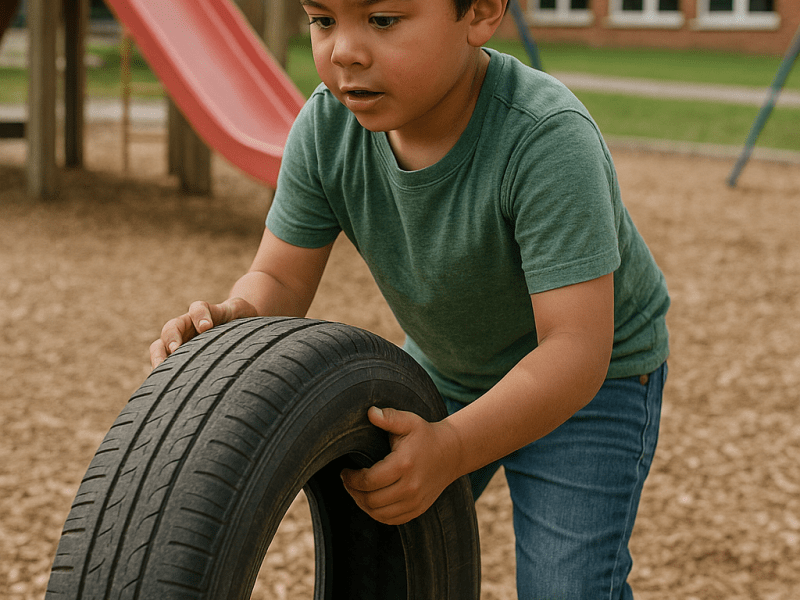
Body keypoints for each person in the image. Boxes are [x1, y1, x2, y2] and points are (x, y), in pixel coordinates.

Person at [150, 0, 670, 597]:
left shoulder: (545, 138)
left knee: (567, 587)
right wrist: (234, 319)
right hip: (449, 363)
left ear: (479, 13)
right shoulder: (326, 130)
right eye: (323, 20)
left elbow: (576, 349)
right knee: (387, 534)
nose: (344, 50)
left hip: (590, 381)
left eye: (383, 20)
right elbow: (279, 281)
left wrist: (450, 447)